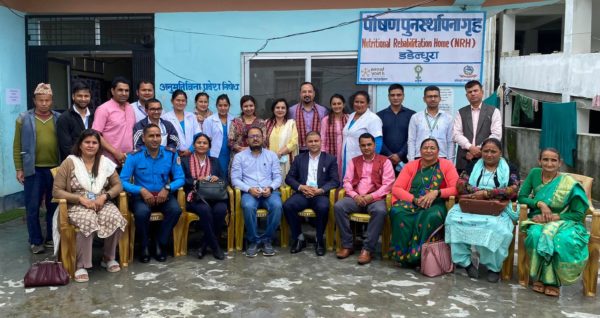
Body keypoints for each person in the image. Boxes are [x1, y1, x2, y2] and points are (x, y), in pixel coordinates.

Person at [52, 129, 127, 282]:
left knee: (114, 217)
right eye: (87, 142)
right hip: (77, 204)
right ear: (80, 145)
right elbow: (56, 190)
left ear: (99, 146)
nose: (91, 145)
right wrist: (79, 199)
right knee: (87, 221)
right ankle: (81, 265)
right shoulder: (70, 162)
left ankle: (108, 258)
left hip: (101, 202)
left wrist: (105, 196)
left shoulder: (105, 162)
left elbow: (118, 185)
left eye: (94, 143)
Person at [445, 138, 519, 282]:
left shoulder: (510, 168)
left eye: (493, 151)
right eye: (486, 151)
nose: (489, 154)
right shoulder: (473, 165)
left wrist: (488, 194)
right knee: (453, 220)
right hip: (472, 204)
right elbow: (460, 185)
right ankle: (466, 263)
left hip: (497, 208)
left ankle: (493, 267)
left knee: (494, 227)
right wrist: (478, 193)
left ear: (500, 153)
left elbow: (514, 190)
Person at [518, 148, 590, 297]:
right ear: (539, 161)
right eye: (545, 159)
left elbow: (577, 214)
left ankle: (553, 281)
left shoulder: (568, 183)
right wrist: (540, 204)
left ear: (560, 163)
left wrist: (554, 217)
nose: (549, 163)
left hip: (564, 221)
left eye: (553, 160)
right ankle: (539, 277)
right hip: (538, 219)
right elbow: (522, 197)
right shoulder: (534, 174)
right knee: (535, 235)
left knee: (561, 239)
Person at [389, 138, 458, 268]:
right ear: (420, 151)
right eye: (425, 148)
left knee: (431, 217)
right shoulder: (411, 165)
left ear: (438, 151)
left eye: (432, 148)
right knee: (397, 212)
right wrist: (413, 200)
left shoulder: (446, 165)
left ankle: (419, 257)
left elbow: (456, 188)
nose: (429, 150)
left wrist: (436, 193)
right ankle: (401, 256)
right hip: (412, 201)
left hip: (435, 203)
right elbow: (396, 188)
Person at [120, 124, 184, 263]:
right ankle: (144, 246)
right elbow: (122, 181)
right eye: (151, 136)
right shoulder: (134, 156)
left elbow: (180, 178)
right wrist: (141, 190)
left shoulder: (170, 154)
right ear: (143, 138)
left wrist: (167, 188)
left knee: (175, 210)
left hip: (164, 194)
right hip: (142, 196)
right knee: (141, 213)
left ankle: (159, 243)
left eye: (158, 135)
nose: (155, 139)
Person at [13, 83, 60, 254]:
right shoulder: (23, 119)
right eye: (40, 100)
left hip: (55, 169)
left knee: (53, 206)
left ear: (52, 101)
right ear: (34, 100)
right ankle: (35, 241)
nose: (44, 103)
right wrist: (19, 168)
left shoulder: (58, 118)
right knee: (32, 206)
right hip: (33, 170)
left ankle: (50, 238)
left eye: (47, 100)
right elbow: (17, 145)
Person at [334, 133, 394, 265]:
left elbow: (388, 185)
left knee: (380, 211)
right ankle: (347, 245)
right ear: (359, 146)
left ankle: (367, 249)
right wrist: (355, 196)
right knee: (339, 206)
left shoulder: (385, 161)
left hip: (375, 198)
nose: (366, 147)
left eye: (369, 144)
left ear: (374, 145)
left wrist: (371, 196)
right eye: (363, 145)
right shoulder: (354, 161)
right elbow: (347, 181)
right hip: (356, 198)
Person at [283, 131, 339, 256]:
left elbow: (335, 181)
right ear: (306, 144)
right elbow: (289, 178)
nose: (313, 143)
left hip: (320, 194)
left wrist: (320, 190)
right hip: (303, 193)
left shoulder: (330, 159)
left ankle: (319, 239)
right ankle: (299, 238)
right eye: (310, 141)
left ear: (321, 142)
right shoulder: (299, 159)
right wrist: (301, 187)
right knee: (288, 206)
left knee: (323, 207)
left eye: (316, 141)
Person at [231, 126, 282, 258]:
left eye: (257, 136)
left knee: (277, 206)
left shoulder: (272, 155)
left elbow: (278, 177)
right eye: (252, 136)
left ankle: (266, 240)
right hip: (249, 192)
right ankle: (253, 241)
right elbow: (235, 179)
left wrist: (270, 188)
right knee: (248, 206)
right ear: (247, 140)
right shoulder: (239, 157)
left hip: (268, 191)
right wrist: (248, 189)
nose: (255, 139)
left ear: (262, 138)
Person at [182, 133, 228, 260]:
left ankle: (204, 244)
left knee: (220, 210)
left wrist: (217, 178)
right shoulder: (185, 161)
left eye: (205, 143)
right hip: (195, 196)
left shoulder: (215, 161)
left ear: (209, 147)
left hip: (215, 195)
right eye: (199, 142)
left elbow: (225, 179)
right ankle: (215, 246)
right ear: (194, 145)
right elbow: (182, 180)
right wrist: (197, 181)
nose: (202, 145)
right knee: (205, 210)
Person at [453, 80, 502, 173]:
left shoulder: (494, 111)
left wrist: (480, 149)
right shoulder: (461, 112)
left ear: (482, 92)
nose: (473, 94)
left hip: (488, 158)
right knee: (463, 186)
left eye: (475, 91)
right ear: (466, 95)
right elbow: (456, 134)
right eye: (470, 92)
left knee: (486, 186)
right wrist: (470, 148)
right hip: (465, 158)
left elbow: (496, 134)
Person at [92, 76, 136, 166]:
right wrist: (115, 153)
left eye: (126, 90)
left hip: (128, 160)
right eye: (120, 90)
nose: (124, 93)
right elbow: (96, 135)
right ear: (112, 91)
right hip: (108, 161)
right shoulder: (103, 109)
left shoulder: (130, 108)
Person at [407, 86, 455, 163]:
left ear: (440, 98)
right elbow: (411, 141)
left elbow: (450, 142)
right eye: (429, 96)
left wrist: (450, 162)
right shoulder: (416, 117)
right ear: (424, 99)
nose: (433, 99)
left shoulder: (448, 118)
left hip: (441, 158)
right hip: (420, 158)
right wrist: (411, 162)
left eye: (435, 96)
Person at [341, 91, 383, 176]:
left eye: (362, 102)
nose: (359, 104)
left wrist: (371, 162)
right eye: (356, 102)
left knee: (360, 184)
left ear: (368, 104)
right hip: (347, 158)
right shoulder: (352, 115)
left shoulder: (373, 119)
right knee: (347, 184)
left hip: (363, 160)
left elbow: (377, 143)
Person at [377, 84, 416, 172]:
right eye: (392, 95)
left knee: (405, 185)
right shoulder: (379, 116)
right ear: (388, 96)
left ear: (403, 96)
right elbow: (378, 139)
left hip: (406, 160)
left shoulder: (412, 115)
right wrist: (389, 154)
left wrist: (400, 154)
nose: (395, 97)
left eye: (398, 95)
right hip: (384, 160)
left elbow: (413, 138)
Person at [57, 81, 95, 161]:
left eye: (86, 96)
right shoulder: (64, 118)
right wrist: (83, 160)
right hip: (73, 165)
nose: (83, 99)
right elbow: (66, 148)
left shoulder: (95, 115)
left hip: (93, 163)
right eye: (80, 96)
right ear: (73, 96)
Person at [289, 82, 328, 153]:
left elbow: (325, 132)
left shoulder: (323, 110)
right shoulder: (292, 111)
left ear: (314, 94)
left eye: (310, 92)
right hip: (297, 150)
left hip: (317, 149)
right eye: (304, 92)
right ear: (300, 94)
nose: (307, 94)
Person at [162, 89, 202, 157]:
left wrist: (190, 150)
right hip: (173, 154)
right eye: (178, 100)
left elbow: (198, 135)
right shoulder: (165, 118)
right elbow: (164, 139)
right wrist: (176, 151)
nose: (180, 103)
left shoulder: (191, 116)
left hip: (192, 154)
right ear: (172, 101)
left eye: (183, 101)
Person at [202, 94, 234, 179]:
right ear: (216, 106)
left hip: (229, 154)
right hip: (214, 155)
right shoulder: (209, 120)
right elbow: (206, 141)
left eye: (225, 105)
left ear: (229, 106)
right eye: (220, 105)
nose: (223, 108)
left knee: (229, 176)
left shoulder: (234, 120)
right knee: (216, 178)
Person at [265, 98, 298, 179]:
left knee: (286, 184)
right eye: (277, 107)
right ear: (273, 109)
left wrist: (279, 153)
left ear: (286, 110)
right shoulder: (266, 123)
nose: (280, 110)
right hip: (269, 160)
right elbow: (263, 141)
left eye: (283, 108)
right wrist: (272, 156)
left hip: (286, 160)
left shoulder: (291, 123)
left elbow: (294, 142)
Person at [320, 94, 348, 181]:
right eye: (334, 104)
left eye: (339, 103)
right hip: (330, 153)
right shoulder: (326, 120)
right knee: (332, 173)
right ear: (331, 105)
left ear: (344, 104)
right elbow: (322, 139)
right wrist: (323, 155)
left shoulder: (349, 118)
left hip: (346, 152)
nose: (337, 106)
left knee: (345, 173)